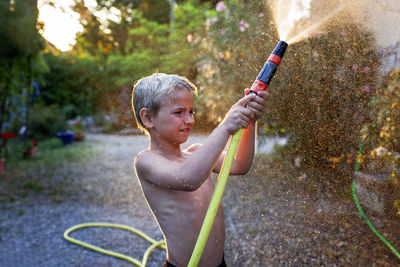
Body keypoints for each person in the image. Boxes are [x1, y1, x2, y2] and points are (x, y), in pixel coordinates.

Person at [132, 73, 268, 267]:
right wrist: (226, 126)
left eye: (191, 112)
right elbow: (189, 179)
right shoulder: (147, 161)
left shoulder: (196, 154)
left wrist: (250, 122)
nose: (189, 120)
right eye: (179, 112)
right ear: (148, 117)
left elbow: (240, 164)